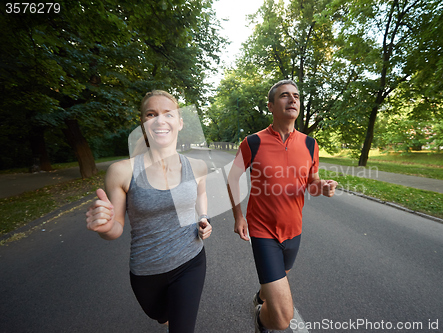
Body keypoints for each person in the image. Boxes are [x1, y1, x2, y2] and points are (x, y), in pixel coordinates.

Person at [85, 90, 212, 333]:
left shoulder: (197, 166)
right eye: (151, 114)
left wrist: (203, 217)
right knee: (162, 317)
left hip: (190, 261)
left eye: (168, 114)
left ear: (180, 122)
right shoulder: (121, 172)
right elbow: (116, 228)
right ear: (143, 123)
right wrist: (105, 227)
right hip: (146, 272)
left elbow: (201, 194)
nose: (160, 120)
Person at [227, 80, 337, 332]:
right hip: (263, 231)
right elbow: (233, 178)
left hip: (294, 232)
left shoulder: (310, 144)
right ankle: (260, 318)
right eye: (285, 96)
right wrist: (238, 216)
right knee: (282, 318)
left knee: (275, 281)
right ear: (271, 106)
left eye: (296, 96)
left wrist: (323, 187)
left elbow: (312, 183)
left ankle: (261, 297)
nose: (293, 100)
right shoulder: (253, 142)